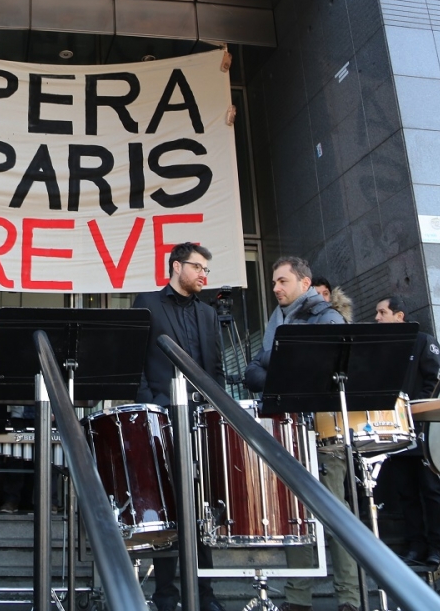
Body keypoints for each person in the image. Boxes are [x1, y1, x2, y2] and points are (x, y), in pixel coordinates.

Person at [244, 256, 356, 611]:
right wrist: (280, 372)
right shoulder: (280, 318)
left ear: (304, 284)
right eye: (274, 282)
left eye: (282, 281)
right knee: (298, 517)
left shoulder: (328, 317)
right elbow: (257, 367)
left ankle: (350, 599)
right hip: (290, 430)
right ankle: (297, 598)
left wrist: (278, 371)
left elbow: (318, 375)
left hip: (323, 434)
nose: (275, 288)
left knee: (336, 517)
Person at [134, 243, 224, 611]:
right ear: (176, 266)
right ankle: (166, 595)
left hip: (200, 420)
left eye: (207, 268)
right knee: (169, 506)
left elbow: (215, 367)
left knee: (200, 506)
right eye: (198, 266)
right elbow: (134, 356)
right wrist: (149, 403)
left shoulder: (207, 313)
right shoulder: (148, 303)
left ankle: (205, 594)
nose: (204, 274)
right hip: (162, 415)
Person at [375, 295, 440, 568]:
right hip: (395, 430)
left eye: (382, 312)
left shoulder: (423, 340)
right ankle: (416, 545)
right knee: (405, 491)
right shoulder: (384, 348)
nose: (378, 318)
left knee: (431, 488)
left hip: (423, 428)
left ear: (399, 315)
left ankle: (437, 547)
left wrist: (414, 408)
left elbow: (436, 378)